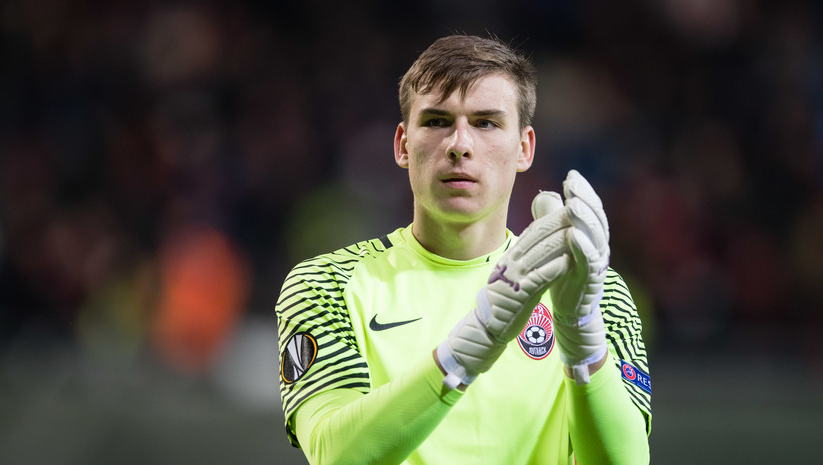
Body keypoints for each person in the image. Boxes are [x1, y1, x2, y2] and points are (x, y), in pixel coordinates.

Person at [275, 35, 651, 465]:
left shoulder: (596, 293)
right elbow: (334, 453)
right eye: (437, 121)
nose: (460, 144)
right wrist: (470, 347)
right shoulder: (326, 284)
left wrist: (582, 339)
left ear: (524, 148)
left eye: (486, 123)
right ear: (402, 145)